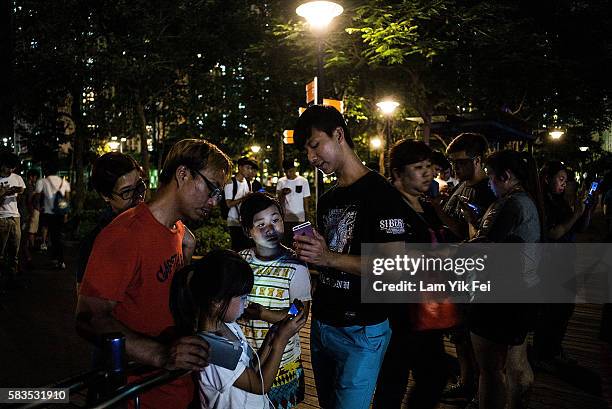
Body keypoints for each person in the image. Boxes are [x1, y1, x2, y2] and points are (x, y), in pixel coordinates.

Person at [76, 139, 231, 409]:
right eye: (212, 188)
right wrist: (160, 354)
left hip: (179, 388)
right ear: (183, 175)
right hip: (140, 394)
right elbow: (89, 317)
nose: (214, 201)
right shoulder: (124, 234)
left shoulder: (179, 231)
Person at [293, 105, 408, 409]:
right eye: (306, 151)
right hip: (322, 326)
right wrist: (312, 254)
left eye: (315, 145)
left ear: (339, 134)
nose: (311, 158)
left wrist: (328, 257)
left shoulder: (381, 193)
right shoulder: (329, 198)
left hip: (362, 331)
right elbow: (329, 254)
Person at [170, 249, 307, 409]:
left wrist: (271, 339)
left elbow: (252, 368)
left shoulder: (229, 326)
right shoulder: (213, 350)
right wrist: (280, 341)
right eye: (242, 297)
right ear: (217, 301)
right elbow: (259, 386)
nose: (246, 302)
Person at [373, 140, 451, 409]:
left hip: (429, 307)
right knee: (394, 380)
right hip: (399, 310)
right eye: (418, 167)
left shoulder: (427, 207)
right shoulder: (389, 208)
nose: (428, 173)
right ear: (397, 173)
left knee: (433, 375)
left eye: (429, 166)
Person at [469, 150, 544, 409]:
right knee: (516, 360)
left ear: (506, 176)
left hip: (500, 296)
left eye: (491, 176)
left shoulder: (511, 203)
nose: (489, 182)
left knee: (490, 369)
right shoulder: (526, 201)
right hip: (523, 291)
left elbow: (487, 247)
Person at [432, 133, 495, 403]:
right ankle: (466, 382)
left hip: (473, 273)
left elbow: (467, 233)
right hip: (455, 270)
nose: (454, 169)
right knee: (459, 334)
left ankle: (474, 389)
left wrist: (437, 209)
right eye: (452, 163)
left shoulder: (487, 192)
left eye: (460, 163)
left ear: (478, 160)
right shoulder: (463, 185)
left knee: (472, 336)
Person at [238, 193, 312, 408]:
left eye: (275, 220)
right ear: (247, 231)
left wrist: (264, 314)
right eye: (260, 224)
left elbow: (299, 314)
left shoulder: (295, 266)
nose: (270, 228)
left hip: (282, 363)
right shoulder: (240, 261)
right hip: (246, 360)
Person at [533, 161, 593, 372]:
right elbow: (554, 233)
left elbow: (580, 228)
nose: (563, 183)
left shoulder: (560, 201)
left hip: (567, 261)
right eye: (560, 179)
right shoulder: (542, 203)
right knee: (550, 312)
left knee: (564, 310)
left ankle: (554, 349)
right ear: (547, 178)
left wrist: (583, 209)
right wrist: (575, 214)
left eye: (565, 180)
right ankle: (542, 354)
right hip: (551, 264)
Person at [34, 162, 70, 269]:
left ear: (46, 170)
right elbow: (67, 199)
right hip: (60, 213)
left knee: (54, 237)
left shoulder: (42, 181)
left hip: (48, 213)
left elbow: (37, 197)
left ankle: (60, 260)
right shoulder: (64, 182)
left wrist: (38, 208)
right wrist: (66, 213)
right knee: (56, 236)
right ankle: (56, 259)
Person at [0, 152, 26, 288]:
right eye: (8, 167)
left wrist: (18, 190)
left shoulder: (17, 178)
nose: (10, 170)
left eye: (13, 168)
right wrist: (3, 192)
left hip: (15, 216)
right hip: (1, 218)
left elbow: (22, 191)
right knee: (1, 252)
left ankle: (12, 277)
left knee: (14, 250)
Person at [225, 157, 258, 251]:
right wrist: (244, 198)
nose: (249, 171)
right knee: (236, 248)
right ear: (240, 168)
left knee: (244, 248)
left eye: (250, 168)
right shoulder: (231, 183)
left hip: (243, 221)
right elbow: (228, 204)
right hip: (232, 221)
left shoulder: (247, 182)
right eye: (247, 168)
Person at [276, 159, 311, 246]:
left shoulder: (303, 181)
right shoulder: (281, 182)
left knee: (300, 244)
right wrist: (282, 194)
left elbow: (306, 201)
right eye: (286, 172)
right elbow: (278, 202)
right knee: (287, 244)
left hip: (300, 218)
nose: (288, 174)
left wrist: (306, 218)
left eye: (290, 171)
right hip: (286, 219)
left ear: (294, 169)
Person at [20, 168, 40, 267]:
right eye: (35, 177)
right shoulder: (29, 186)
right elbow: (29, 200)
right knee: (25, 236)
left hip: (25, 213)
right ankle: (27, 258)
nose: (36, 179)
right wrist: (31, 213)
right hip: (26, 213)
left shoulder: (28, 185)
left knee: (25, 236)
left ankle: (26, 257)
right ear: (31, 177)